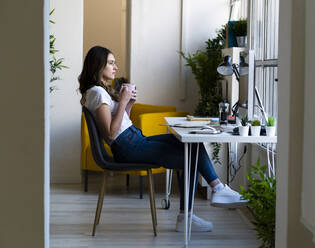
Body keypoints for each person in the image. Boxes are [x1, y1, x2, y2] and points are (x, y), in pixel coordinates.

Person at [79, 46, 247, 232]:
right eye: (111, 63)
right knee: (190, 156)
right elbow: (111, 134)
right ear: (98, 65)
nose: (115, 67)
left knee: (190, 143)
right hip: (127, 146)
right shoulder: (96, 92)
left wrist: (129, 105)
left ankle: (205, 200)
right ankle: (207, 198)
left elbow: (119, 124)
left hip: (133, 140)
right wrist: (123, 101)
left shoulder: (100, 91)